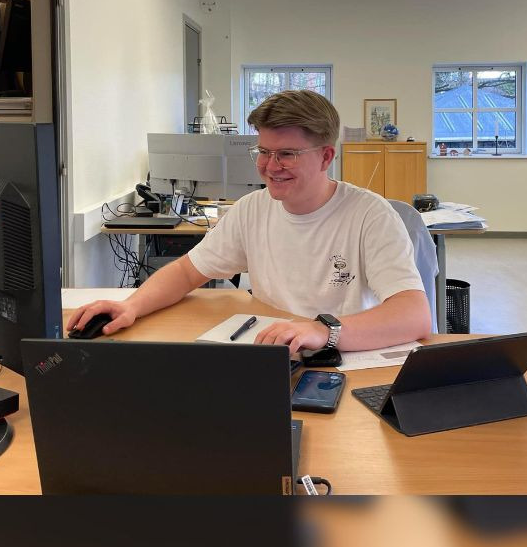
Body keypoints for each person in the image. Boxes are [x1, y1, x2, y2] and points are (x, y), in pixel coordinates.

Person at [67, 89, 431, 355]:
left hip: (346, 355)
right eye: (264, 152)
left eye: (287, 154)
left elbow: (413, 315)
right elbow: (186, 272)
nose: (270, 166)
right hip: (275, 352)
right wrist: (131, 305)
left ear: (325, 157)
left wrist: (324, 332)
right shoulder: (252, 209)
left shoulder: (370, 215)